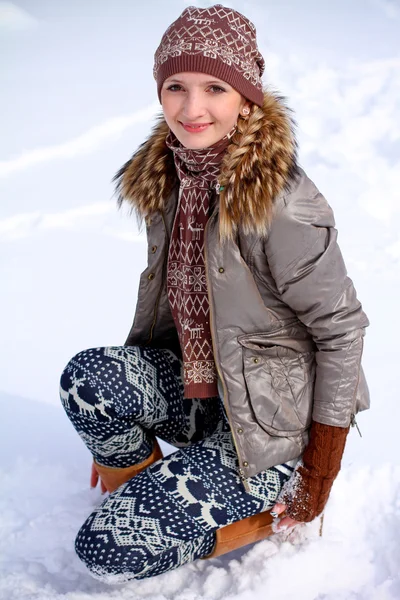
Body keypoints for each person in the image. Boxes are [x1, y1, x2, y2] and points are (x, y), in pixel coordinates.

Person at [59, 4, 370, 583]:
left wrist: (319, 472)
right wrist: (123, 452)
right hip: (209, 393)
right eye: (175, 86)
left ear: (246, 97)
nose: (191, 107)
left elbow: (342, 330)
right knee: (89, 380)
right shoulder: (173, 175)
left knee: (106, 550)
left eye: (214, 87)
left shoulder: (281, 202)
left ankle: (248, 520)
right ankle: (149, 495)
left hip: (278, 430)